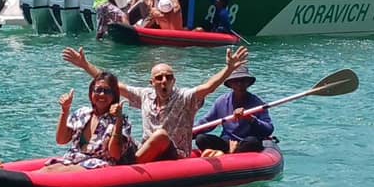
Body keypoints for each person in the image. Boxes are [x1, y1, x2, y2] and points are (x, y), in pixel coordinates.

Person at [62, 45, 249, 162]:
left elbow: (208, 86)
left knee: (160, 135)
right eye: (159, 78)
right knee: (124, 138)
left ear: (174, 81)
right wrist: (86, 65)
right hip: (146, 152)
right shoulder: (145, 96)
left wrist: (228, 69)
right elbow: (112, 85)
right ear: (151, 82)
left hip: (174, 154)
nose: (164, 81)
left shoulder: (185, 97)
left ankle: (127, 166)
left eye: (168, 77)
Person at [0, 72, 137, 171]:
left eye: (107, 91)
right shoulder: (82, 113)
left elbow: (115, 154)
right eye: (98, 90)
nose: (101, 94)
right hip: (74, 159)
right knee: (50, 169)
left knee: (63, 171)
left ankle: (12, 179)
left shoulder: (120, 121)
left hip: (99, 166)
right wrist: (65, 111)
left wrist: (117, 120)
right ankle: (2, 171)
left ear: (114, 96)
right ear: (91, 94)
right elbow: (61, 140)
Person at [194, 66, 274, 157]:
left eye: (243, 80)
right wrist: (189, 132)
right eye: (235, 81)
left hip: (246, 142)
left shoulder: (258, 103)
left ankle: (231, 154)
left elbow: (269, 129)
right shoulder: (222, 101)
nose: (239, 84)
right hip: (227, 141)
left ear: (248, 83)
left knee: (252, 142)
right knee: (201, 138)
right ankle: (227, 152)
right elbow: (207, 123)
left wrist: (251, 119)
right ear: (230, 84)